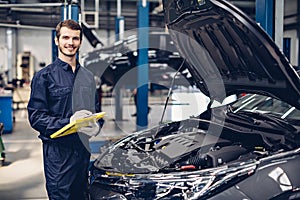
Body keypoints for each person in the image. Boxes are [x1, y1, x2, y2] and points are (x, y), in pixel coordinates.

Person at [27, 19, 102, 200]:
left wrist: (97, 125)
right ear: (57, 40)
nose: (70, 43)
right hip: (58, 156)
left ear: (80, 41)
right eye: (66, 37)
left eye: (75, 38)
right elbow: (36, 117)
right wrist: (69, 122)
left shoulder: (88, 77)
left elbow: (96, 110)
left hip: (82, 152)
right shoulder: (44, 77)